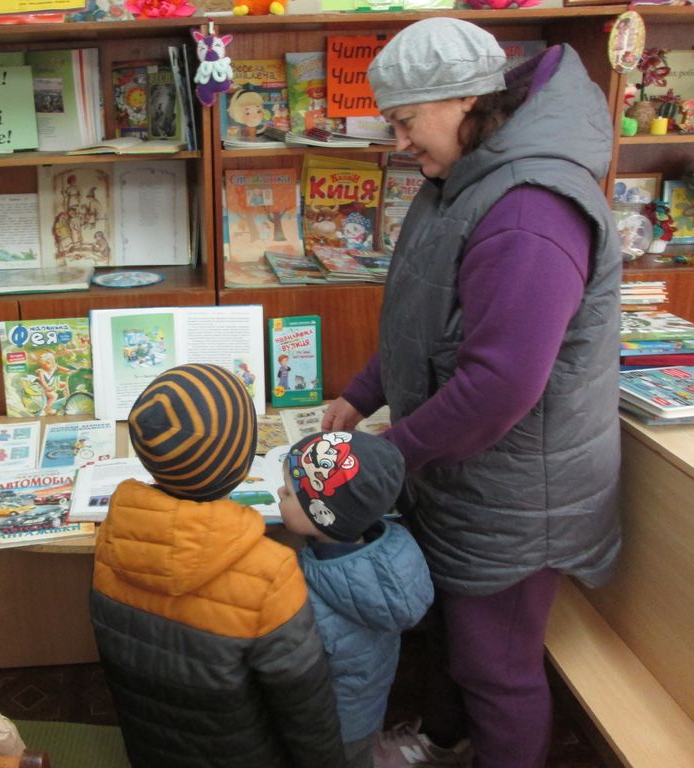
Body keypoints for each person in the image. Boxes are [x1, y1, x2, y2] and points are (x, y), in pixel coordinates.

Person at [320, 18, 622, 768]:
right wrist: (361, 394)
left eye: (405, 120)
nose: (399, 142)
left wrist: (385, 456)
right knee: (456, 639)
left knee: (498, 666)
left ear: (463, 99)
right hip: (470, 472)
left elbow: (498, 384)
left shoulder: (530, 209)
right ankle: (443, 742)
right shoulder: (463, 175)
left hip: (520, 492)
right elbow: (428, 317)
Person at [90, 363, 347, 768]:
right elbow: (305, 708)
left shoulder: (113, 536)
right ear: (242, 466)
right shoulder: (270, 572)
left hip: (149, 751)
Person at [278, 430, 434, 768]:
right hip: (368, 712)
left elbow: (293, 673)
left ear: (321, 514)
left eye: (288, 492)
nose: (279, 493)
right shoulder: (391, 558)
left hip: (326, 725)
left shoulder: (311, 594)